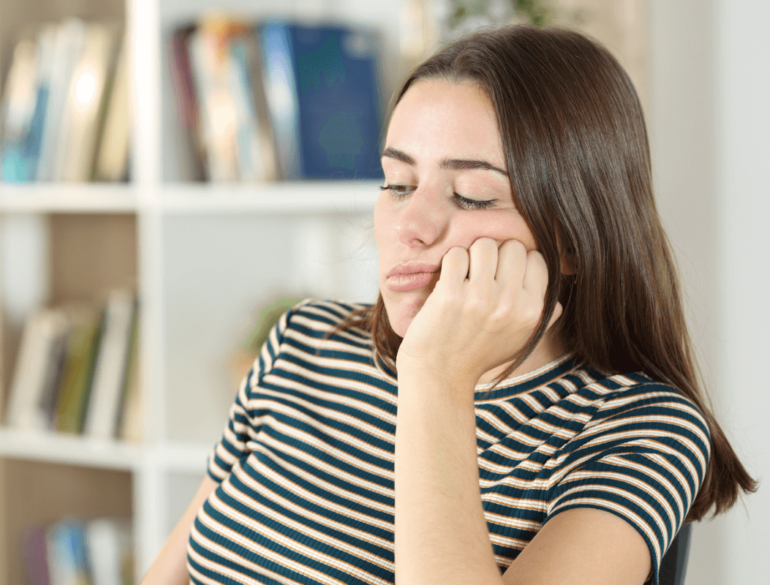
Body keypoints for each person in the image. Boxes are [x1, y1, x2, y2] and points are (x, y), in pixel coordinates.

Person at [141, 25, 756, 585]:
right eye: (398, 184)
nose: (411, 223)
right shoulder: (305, 342)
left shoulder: (639, 430)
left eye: (470, 196)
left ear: (572, 240)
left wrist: (436, 375)